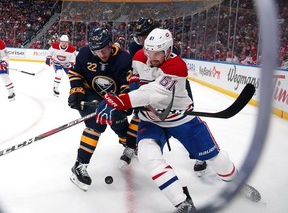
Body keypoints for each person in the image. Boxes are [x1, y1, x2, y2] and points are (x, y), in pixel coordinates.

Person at [97, 28, 261, 212]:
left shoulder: (177, 66)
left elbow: (155, 92)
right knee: (147, 156)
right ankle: (183, 203)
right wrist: (122, 100)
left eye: (157, 53)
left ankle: (236, 182)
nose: (151, 57)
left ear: (168, 50)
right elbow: (135, 84)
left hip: (181, 120)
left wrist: (123, 101)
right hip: (150, 120)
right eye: (148, 51)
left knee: (215, 158)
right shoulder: (139, 57)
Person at [122, 18, 206, 177]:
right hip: (146, 85)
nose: (142, 41)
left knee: (186, 119)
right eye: (140, 37)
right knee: (141, 116)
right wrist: (136, 91)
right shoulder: (135, 48)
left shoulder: (169, 47)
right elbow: (135, 72)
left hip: (170, 86)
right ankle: (136, 146)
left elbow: (174, 72)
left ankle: (198, 155)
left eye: (144, 36)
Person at [68, 27, 132, 191]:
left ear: (110, 44)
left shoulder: (124, 59)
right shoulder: (84, 54)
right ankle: (80, 164)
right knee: (96, 125)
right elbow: (75, 73)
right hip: (91, 95)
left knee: (120, 124)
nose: (102, 54)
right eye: (97, 51)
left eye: (104, 50)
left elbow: (127, 85)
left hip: (115, 98)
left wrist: (123, 102)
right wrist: (76, 89)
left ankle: (128, 144)